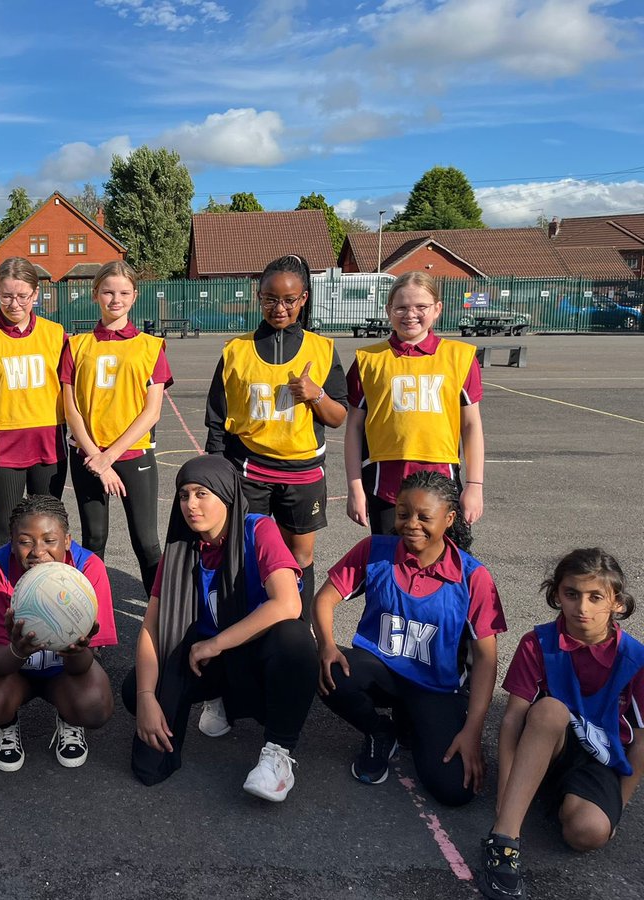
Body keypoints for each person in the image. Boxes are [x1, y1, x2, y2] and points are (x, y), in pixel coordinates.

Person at [200, 253, 347, 738]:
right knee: (242, 559)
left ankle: (293, 640)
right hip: (249, 472)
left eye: (288, 299)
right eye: (269, 299)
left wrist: (314, 395)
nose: (278, 307)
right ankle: (234, 650)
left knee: (299, 557)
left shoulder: (324, 350)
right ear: (257, 297)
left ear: (303, 298)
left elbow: (339, 416)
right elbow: (218, 421)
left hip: (304, 473)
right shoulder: (238, 350)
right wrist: (217, 473)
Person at [123, 455, 318, 801]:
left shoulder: (258, 529)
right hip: (209, 662)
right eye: (184, 495)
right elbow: (152, 627)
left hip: (255, 655)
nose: (190, 505)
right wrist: (146, 699)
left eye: (201, 494)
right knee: (132, 690)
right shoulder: (180, 549)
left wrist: (216, 644)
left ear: (227, 494)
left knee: (295, 638)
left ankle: (278, 753)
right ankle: (221, 698)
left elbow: (289, 603)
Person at [314, 471, 505, 807]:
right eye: (403, 514)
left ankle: (413, 722)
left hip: (436, 687)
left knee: (454, 790)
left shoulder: (473, 577)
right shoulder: (376, 550)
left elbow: (487, 659)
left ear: (449, 519)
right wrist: (327, 645)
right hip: (381, 672)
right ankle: (379, 731)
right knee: (328, 671)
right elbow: (325, 598)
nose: (411, 524)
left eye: (424, 517)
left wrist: (472, 731)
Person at [477, 549, 644, 900]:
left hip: (597, 761)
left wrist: (618, 806)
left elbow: (641, 740)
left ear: (616, 603)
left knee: (589, 834)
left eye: (595, 597)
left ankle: (553, 798)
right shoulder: (538, 643)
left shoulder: (635, 659)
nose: (582, 608)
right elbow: (512, 720)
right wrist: (504, 798)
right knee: (552, 710)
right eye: (572, 594)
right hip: (543, 744)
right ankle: (504, 840)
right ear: (557, 595)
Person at [0, 495, 116, 772]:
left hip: (66, 674)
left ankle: (70, 718)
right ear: (12, 542)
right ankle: (5, 723)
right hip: (13, 674)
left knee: (94, 705)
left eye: (49, 540)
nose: (37, 551)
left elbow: (85, 665)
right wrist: (17, 650)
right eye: (25, 541)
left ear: (67, 540)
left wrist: (77, 650)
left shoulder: (87, 569)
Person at [344, 271, 485, 535]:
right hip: (382, 482)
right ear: (389, 310)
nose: (411, 314)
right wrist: (355, 488)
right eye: (402, 307)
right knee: (387, 562)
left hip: (440, 480)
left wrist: (475, 485)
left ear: (437, 309)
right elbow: (353, 428)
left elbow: (471, 426)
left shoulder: (460, 357)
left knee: (438, 563)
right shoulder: (368, 360)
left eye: (421, 307)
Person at [60, 260, 171, 593]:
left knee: (146, 541)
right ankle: (90, 618)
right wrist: (96, 456)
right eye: (108, 292)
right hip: (87, 456)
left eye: (123, 292)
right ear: (96, 295)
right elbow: (71, 409)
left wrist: (109, 458)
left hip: (133, 456)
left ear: (135, 296)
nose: (115, 299)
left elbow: (151, 413)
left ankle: (160, 615)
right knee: (94, 538)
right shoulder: (76, 345)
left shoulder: (151, 347)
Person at [0, 257, 67, 550]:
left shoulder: (55, 335)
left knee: (48, 530)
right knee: (6, 531)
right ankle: (1, 595)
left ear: (36, 294)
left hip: (48, 443)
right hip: (2, 446)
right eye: (7, 295)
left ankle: (44, 595)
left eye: (22, 295)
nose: (15, 303)